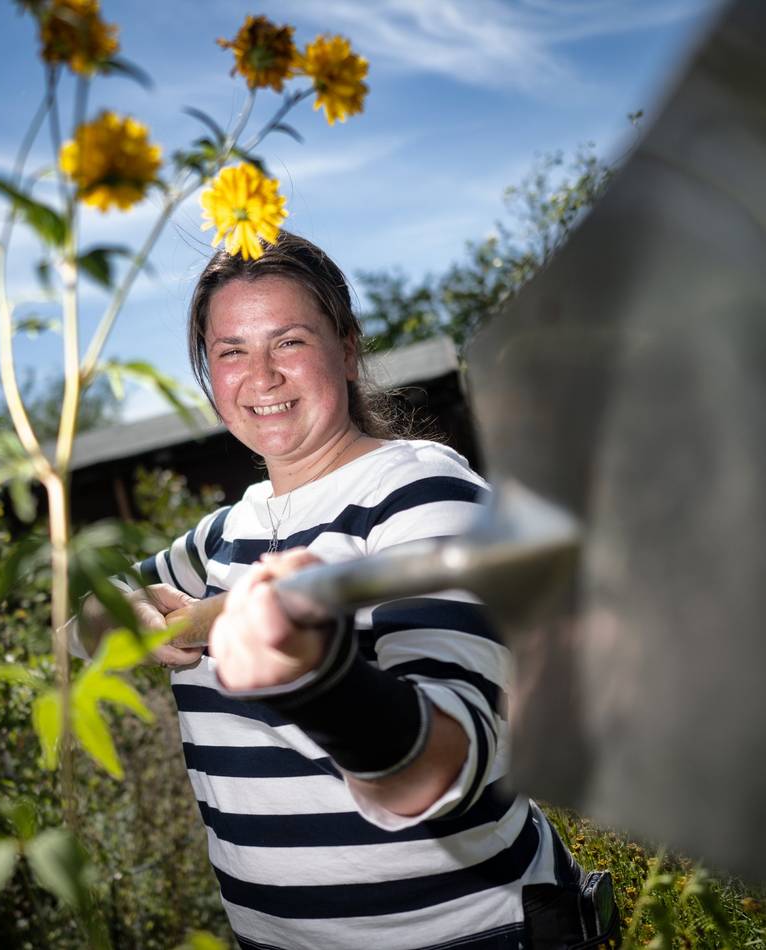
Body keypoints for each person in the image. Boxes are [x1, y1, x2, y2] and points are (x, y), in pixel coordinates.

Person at [76, 232, 615, 949]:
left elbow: (442, 768)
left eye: (289, 341)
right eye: (231, 350)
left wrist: (317, 681)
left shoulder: (420, 491)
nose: (260, 376)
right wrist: (121, 619)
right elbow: (83, 618)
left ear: (348, 348)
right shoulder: (223, 533)